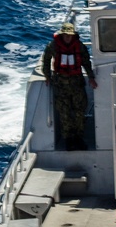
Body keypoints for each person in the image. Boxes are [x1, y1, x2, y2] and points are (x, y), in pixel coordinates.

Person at [41, 21, 97, 150]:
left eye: (70, 35)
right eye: (65, 35)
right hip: (60, 85)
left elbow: (86, 62)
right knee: (64, 114)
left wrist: (91, 78)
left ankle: (79, 138)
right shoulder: (53, 46)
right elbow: (46, 60)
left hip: (77, 84)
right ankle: (68, 140)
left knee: (79, 112)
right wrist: (47, 76)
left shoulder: (80, 46)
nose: (68, 37)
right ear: (62, 34)